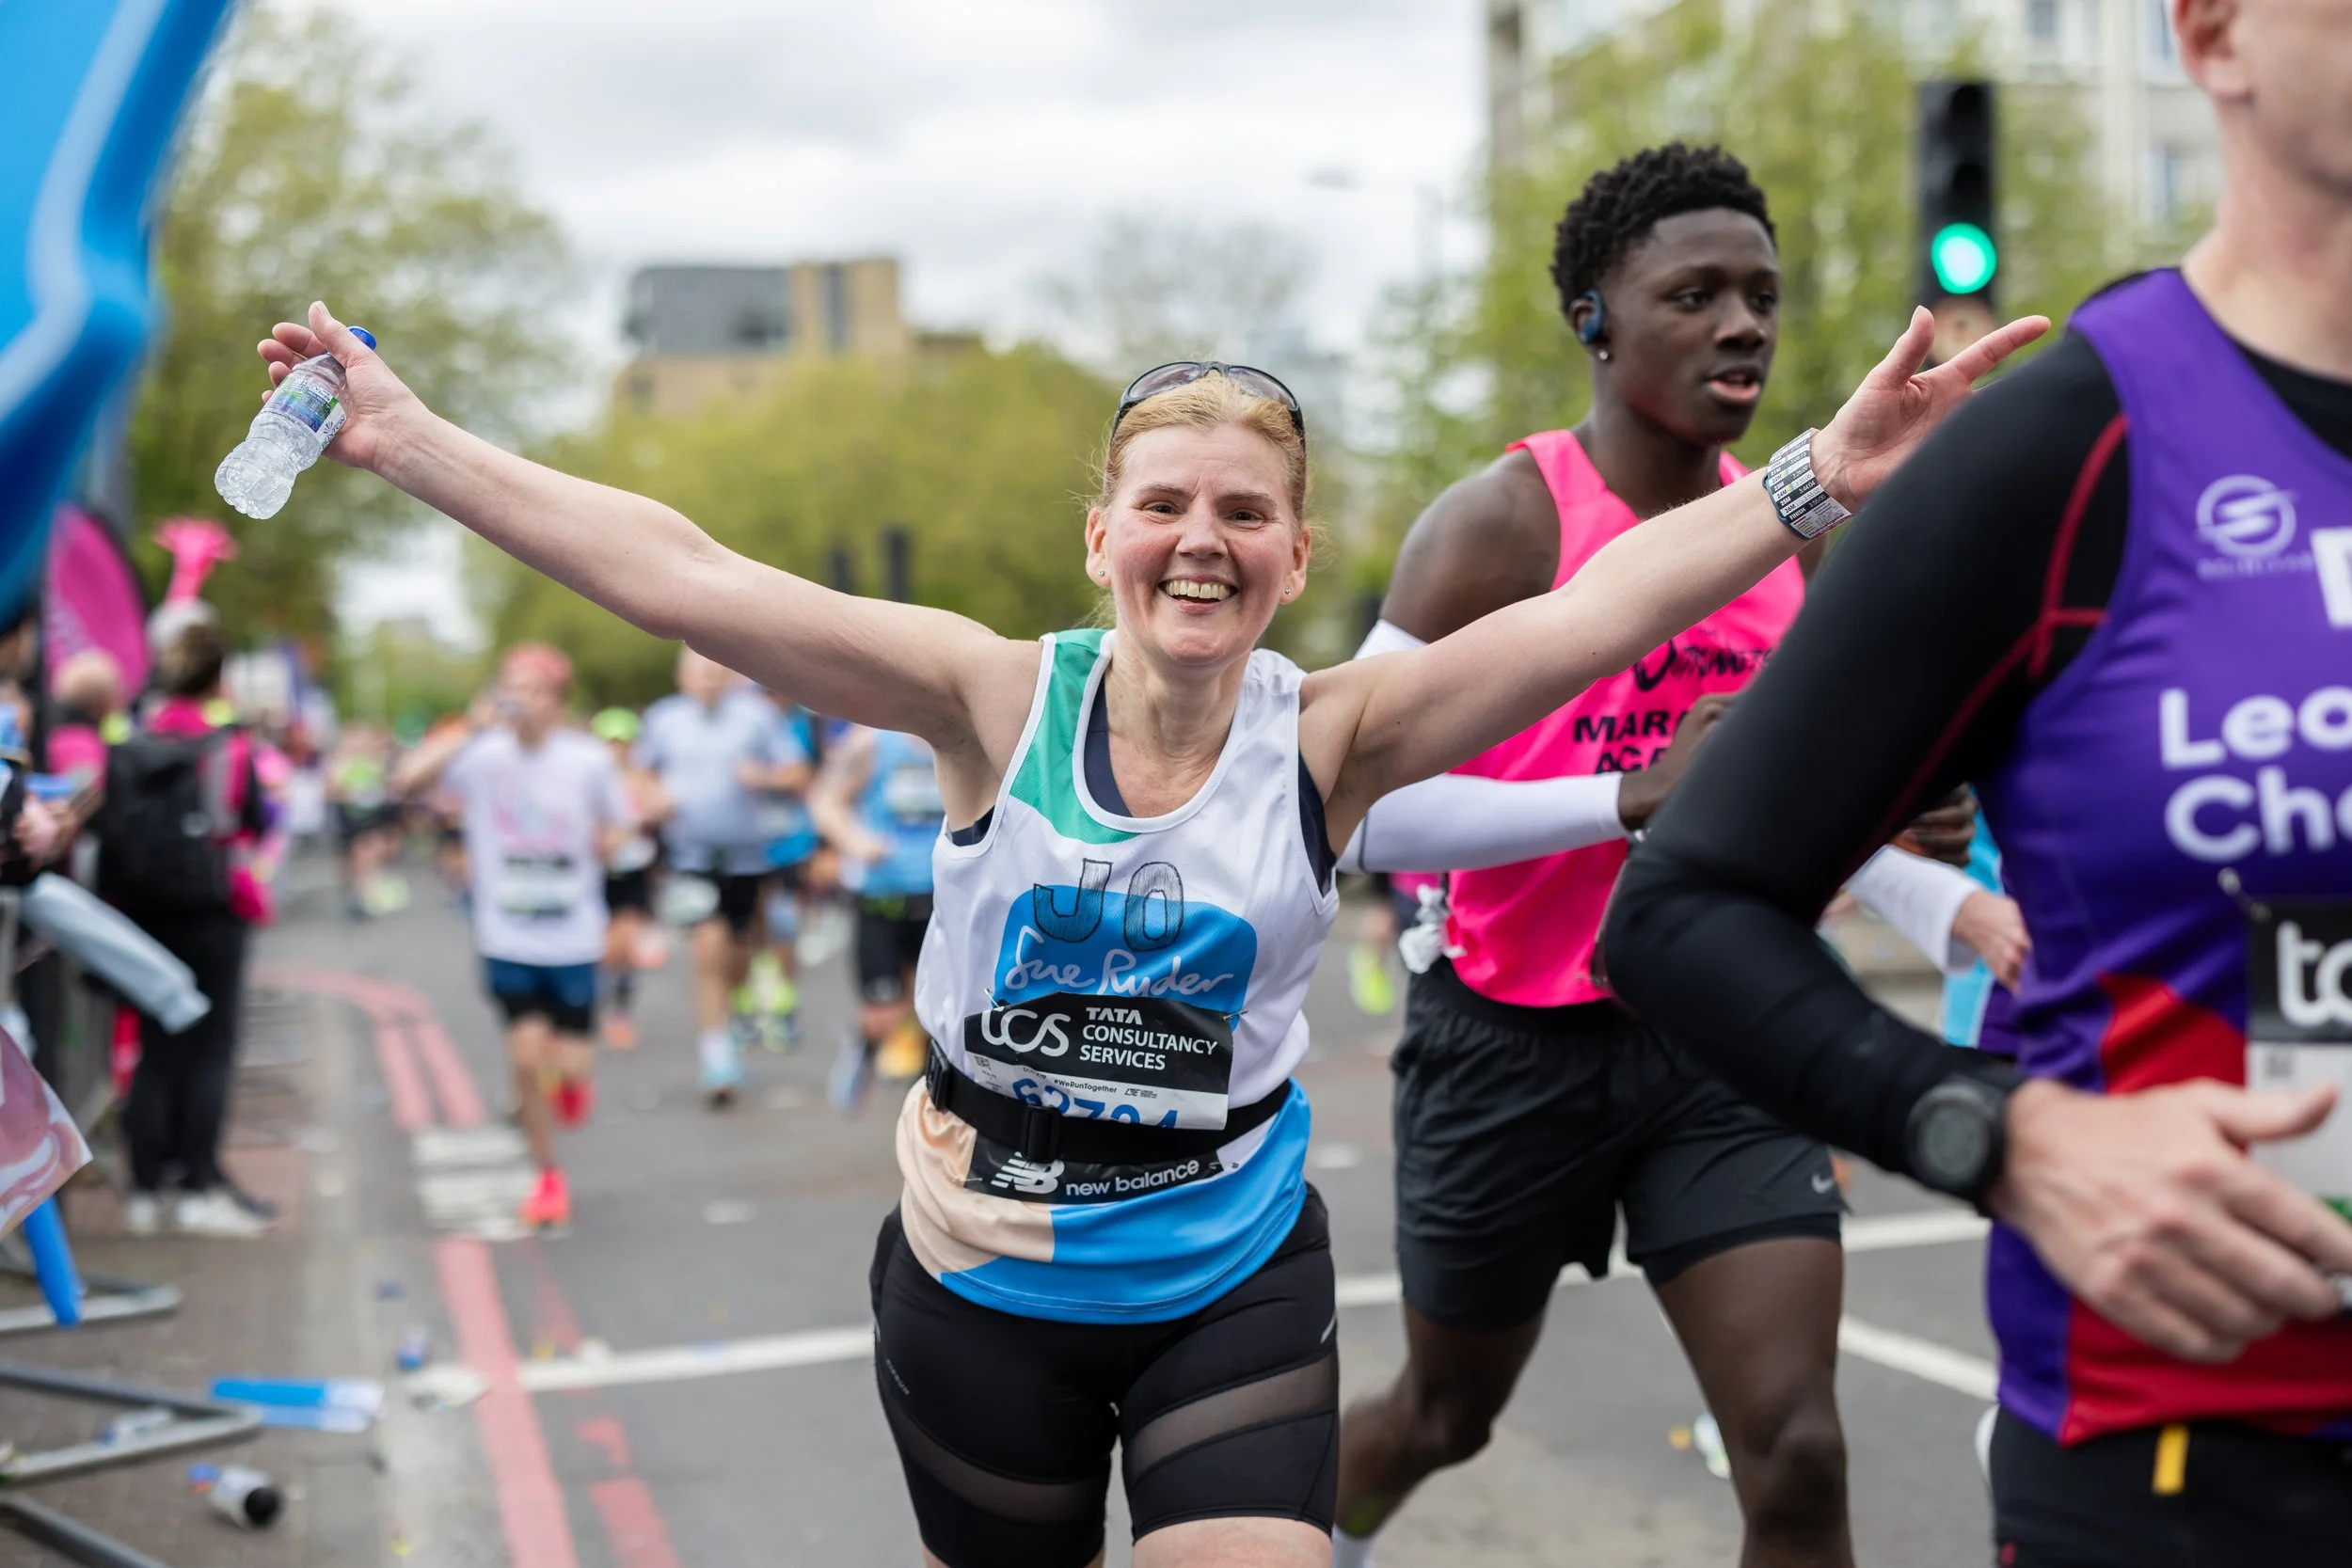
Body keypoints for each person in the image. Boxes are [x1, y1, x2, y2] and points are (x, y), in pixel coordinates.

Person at [253, 285, 2037, 1567]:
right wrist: (405, 439)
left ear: (1292, 549)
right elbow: (690, 570)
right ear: (1102, 530)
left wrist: (1816, 470)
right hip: (981, 1278)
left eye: (1244, 515)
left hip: (1229, 1279)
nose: (1204, 541)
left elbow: (1606, 601)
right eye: (1167, 506)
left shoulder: (1333, 733)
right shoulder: (984, 694)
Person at [1604, 4, 2352, 1562]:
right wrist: (2002, 1137)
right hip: (2207, 1462)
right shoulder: (2072, 444)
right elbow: (1687, 907)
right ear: (2213, 35)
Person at [1328, 145, 1980, 1568]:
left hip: (1720, 1035)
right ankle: (1311, 1533)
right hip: (1507, 1039)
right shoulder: (1500, 522)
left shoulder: (1789, 544)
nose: (1741, 324)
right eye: (1694, 294)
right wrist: (1624, 798)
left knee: (1799, 1447)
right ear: (1594, 321)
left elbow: (1766, 800)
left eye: (1760, 295)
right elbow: (1360, 814)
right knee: (1444, 1411)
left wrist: (1940, 888)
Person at [392, 645, 633, 1230]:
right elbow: (405, 781)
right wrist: (471, 726)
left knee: (570, 1068)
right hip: (507, 936)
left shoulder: (587, 760)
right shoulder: (481, 755)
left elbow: (623, 821)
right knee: (526, 1059)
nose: (520, 699)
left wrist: (607, 844)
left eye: (533, 689)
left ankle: (573, 1084)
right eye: (512, 687)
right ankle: (547, 1175)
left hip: (573, 936)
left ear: (558, 701)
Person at [94, 613, 273, 1238]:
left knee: (154, 1047)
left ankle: (144, 1191)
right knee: (210, 1048)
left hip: (142, 911)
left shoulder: (126, 742)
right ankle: (197, 1187)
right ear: (218, 677)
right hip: (215, 911)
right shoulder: (231, 747)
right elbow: (254, 821)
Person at [635, 649, 805, 1106]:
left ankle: (731, 1016)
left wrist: (766, 777)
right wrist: (652, 797)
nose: (707, 679)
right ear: (681, 677)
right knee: (708, 950)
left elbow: (796, 771)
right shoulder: (663, 719)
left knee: (737, 956)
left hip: (748, 858)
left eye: (714, 671)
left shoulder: (757, 717)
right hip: (690, 857)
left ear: (729, 675)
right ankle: (716, 1056)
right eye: (698, 672)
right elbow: (637, 773)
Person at [809, 723, 943, 1107]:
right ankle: (865, 1045)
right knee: (882, 1012)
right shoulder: (870, 743)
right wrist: (856, 842)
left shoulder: (959, 736)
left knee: (931, 1003)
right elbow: (826, 801)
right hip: (881, 896)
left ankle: (923, 1093)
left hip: (939, 895)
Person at [589, 705, 664, 1050]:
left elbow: (662, 807)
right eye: (610, 742)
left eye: (622, 742)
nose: (616, 749)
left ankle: (619, 1013)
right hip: (594, 872)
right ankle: (595, 1002)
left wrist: (635, 821)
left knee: (624, 944)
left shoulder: (640, 776)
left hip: (632, 870)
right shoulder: (584, 774)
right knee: (602, 948)